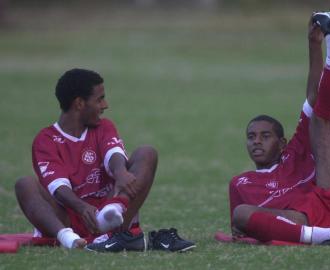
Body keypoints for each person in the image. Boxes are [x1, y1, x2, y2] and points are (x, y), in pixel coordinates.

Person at [15, 68, 195, 252]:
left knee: (147, 152)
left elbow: (113, 153)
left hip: (111, 214)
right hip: (70, 218)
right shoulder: (46, 140)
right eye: (99, 99)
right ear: (79, 103)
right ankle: (68, 239)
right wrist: (82, 208)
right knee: (24, 184)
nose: (105, 105)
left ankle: (111, 221)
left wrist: (120, 172)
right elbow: (58, 187)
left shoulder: (104, 126)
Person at [228, 12, 330, 245]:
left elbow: (313, 97)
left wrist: (314, 44)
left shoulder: (295, 151)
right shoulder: (240, 182)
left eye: (265, 136)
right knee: (241, 213)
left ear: (281, 143)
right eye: (251, 136)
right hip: (301, 223)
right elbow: (239, 230)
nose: (257, 141)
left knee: (321, 118)